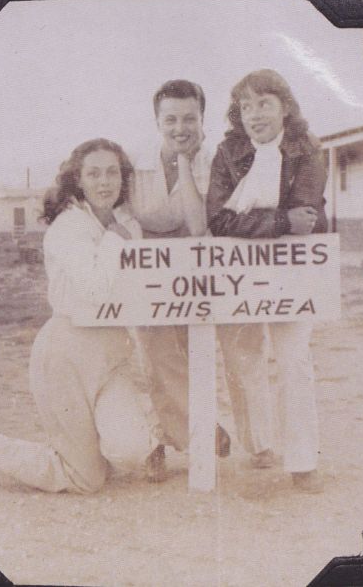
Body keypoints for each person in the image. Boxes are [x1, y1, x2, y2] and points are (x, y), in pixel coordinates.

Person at [0, 138, 163, 494]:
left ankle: (106, 444)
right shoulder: (68, 227)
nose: (104, 182)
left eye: (112, 172)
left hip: (111, 354)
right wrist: (115, 238)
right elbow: (95, 290)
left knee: (130, 452)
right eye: (94, 173)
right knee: (86, 479)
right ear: (78, 180)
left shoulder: (128, 222)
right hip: (65, 355)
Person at [207, 69, 327, 493]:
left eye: (264, 104)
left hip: (291, 271)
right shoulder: (227, 152)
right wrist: (278, 220)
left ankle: (302, 460)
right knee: (243, 357)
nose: (254, 115)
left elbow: (306, 217)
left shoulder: (307, 149)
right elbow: (218, 219)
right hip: (238, 271)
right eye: (245, 106)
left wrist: (265, 223)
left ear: (285, 107)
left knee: (294, 360)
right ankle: (259, 446)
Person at [130, 79, 231, 468]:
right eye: (170, 119)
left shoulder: (213, 162)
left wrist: (186, 164)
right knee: (155, 358)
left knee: (192, 354)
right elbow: (126, 220)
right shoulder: (135, 160)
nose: (180, 128)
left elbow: (195, 223)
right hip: (145, 265)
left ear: (202, 120)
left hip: (192, 267)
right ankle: (167, 438)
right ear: (157, 120)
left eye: (190, 119)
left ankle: (193, 426)